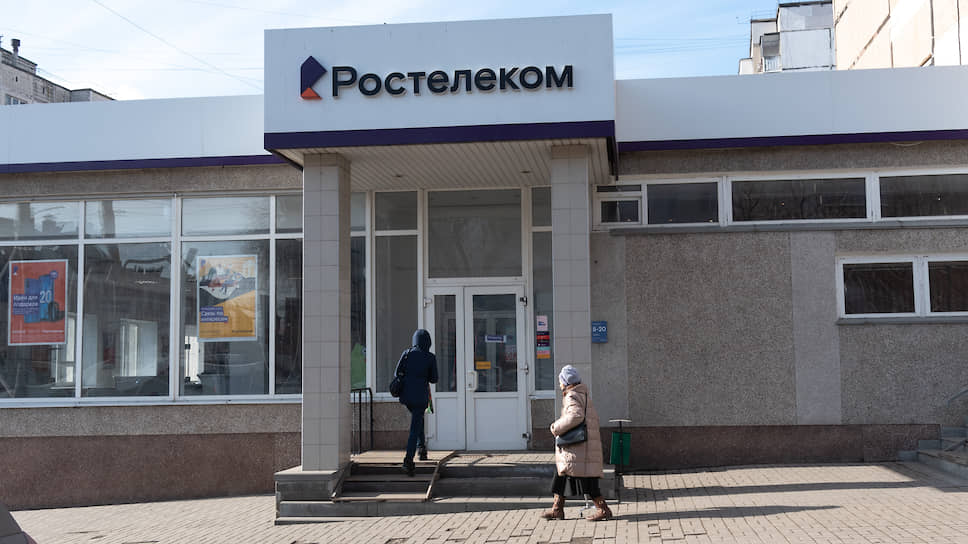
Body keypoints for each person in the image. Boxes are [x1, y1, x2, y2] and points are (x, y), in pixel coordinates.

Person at [542, 364, 612, 522]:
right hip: (583, 446)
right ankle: (557, 509)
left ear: (566, 382)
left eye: (560, 380)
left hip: (579, 447)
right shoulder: (582, 393)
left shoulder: (571, 395)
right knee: (561, 474)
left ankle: (603, 509)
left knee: (586, 480)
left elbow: (576, 416)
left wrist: (556, 427)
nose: (559, 384)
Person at [394, 329, 439, 476]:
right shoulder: (430, 357)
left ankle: (422, 448)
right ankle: (408, 461)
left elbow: (397, 373)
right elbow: (434, 379)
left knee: (417, 419)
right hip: (420, 397)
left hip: (406, 397)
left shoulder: (407, 353)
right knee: (415, 427)